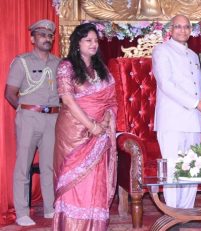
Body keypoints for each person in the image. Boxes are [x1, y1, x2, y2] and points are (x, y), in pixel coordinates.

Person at [52, 23, 117, 230]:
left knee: (95, 180)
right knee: (74, 180)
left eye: (96, 40)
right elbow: (68, 100)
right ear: (77, 43)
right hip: (75, 132)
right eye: (88, 40)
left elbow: (111, 100)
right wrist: (92, 125)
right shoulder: (66, 66)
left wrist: (105, 121)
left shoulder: (101, 68)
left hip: (99, 132)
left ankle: (93, 225)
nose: (93, 44)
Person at [152, 14, 201, 208]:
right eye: (178, 27)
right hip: (172, 120)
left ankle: (186, 213)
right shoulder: (161, 51)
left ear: (191, 30)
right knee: (173, 168)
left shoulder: (194, 56)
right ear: (170, 30)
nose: (182, 30)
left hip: (194, 120)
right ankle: (173, 214)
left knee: (192, 167)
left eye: (186, 27)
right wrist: (197, 103)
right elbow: (166, 85)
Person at [4, 19, 60, 226]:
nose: (47, 38)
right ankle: (21, 211)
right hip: (29, 118)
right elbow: (9, 93)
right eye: (42, 35)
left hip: (53, 118)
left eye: (50, 35)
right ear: (32, 38)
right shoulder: (23, 61)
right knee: (23, 165)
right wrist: (26, 110)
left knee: (48, 166)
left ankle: (49, 208)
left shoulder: (58, 63)